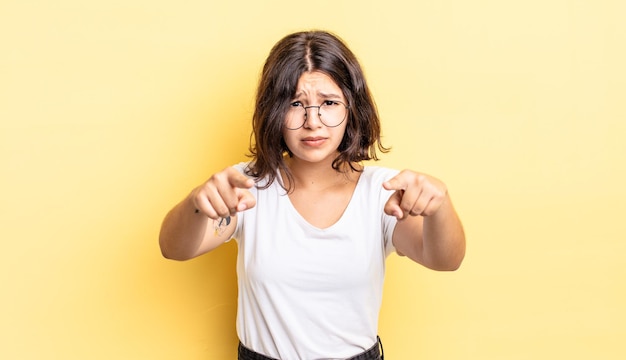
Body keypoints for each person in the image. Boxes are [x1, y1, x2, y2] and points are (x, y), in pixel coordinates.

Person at [159, 30, 465, 360]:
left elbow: (445, 260)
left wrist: (440, 206)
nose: (313, 122)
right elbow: (174, 249)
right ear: (274, 111)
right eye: (295, 104)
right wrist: (198, 204)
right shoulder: (247, 185)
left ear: (352, 108)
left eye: (329, 103)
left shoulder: (384, 192)